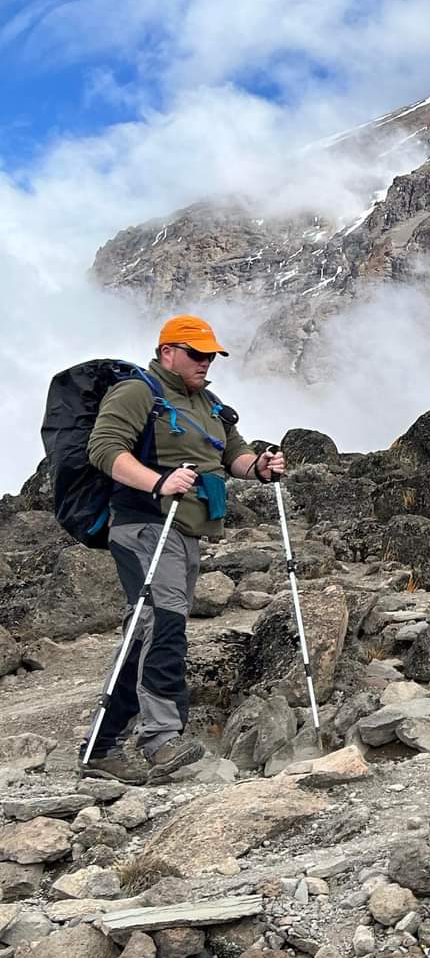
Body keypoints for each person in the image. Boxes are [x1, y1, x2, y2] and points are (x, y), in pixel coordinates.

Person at [83, 314, 286, 783]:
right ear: (168, 352)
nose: (206, 362)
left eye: (211, 355)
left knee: (147, 627)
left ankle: (102, 744)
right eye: (197, 354)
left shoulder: (210, 404)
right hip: (145, 525)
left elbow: (231, 456)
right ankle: (160, 739)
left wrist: (261, 467)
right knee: (165, 623)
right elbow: (104, 448)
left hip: (188, 531)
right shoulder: (138, 392)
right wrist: (158, 482)